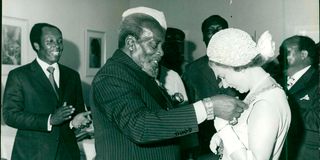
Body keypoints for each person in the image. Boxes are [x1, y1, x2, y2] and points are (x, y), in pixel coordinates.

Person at [91, 6, 247, 160]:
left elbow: (162, 123)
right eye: (154, 45)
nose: (161, 53)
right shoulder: (111, 76)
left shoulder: (138, 74)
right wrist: (208, 107)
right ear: (131, 43)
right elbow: (140, 127)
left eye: (162, 46)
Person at [3, 23, 91, 160]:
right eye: (50, 41)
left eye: (59, 41)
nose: (57, 45)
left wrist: (75, 122)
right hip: (32, 155)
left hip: (67, 154)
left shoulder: (72, 76)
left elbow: (76, 113)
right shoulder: (19, 76)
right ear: (36, 45)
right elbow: (10, 115)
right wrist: (49, 120)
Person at [207, 28, 291, 160]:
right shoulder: (260, 93)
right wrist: (223, 137)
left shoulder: (265, 104)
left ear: (239, 66)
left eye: (223, 76)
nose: (224, 84)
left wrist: (224, 129)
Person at [182, 15, 241, 159]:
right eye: (210, 31)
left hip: (240, 136)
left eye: (220, 30)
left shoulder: (243, 65)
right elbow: (189, 107)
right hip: (205, 141)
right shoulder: (192, 70)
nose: (215, 35)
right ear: (203, 37)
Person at [278, 35, 319, 160]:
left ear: (303, 54)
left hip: (306, 152)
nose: (281, 56)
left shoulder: (317, 81)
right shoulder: (276, 79)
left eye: (287, 52)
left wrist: (285, 108)